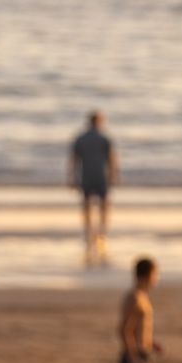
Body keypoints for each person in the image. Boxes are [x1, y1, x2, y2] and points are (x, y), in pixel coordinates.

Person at [70, 110, 118, 263]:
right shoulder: (104, 138)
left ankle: (89, 231)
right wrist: (114, 175)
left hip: (87, 176)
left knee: (87, 205)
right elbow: (112, 159)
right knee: (103, 204)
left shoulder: (80, 138)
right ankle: (101, 231)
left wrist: (72, 177)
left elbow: (73, 160)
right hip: (99, 176)